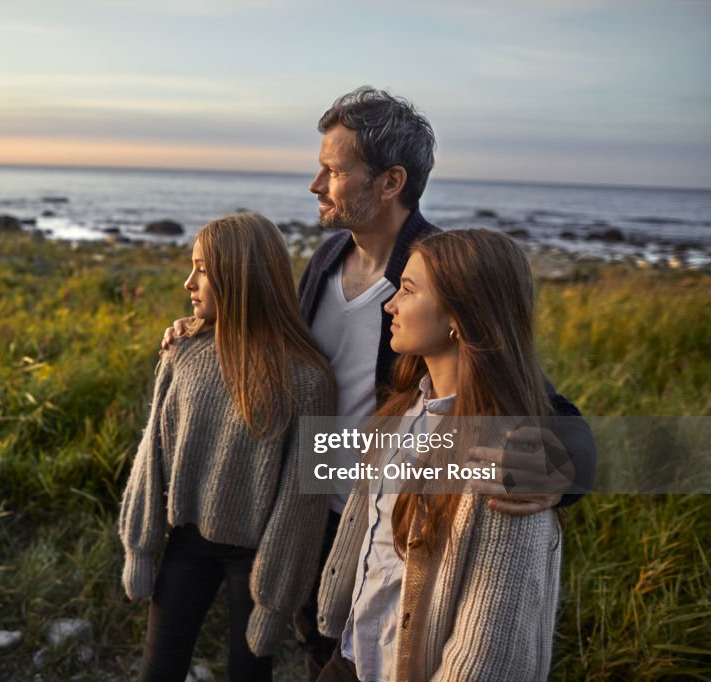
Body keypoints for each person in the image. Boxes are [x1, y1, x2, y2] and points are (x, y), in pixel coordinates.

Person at [164, 85, 595, 679]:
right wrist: (206, 325)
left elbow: (522, 383)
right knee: (326, 642)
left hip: (394, 516)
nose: (316, 186)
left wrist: (565, 469)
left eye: (334, 171)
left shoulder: (441, 274)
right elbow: (277, 347)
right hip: (310, 504)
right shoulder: (327, 256)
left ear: (390, 183)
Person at [316, 228, 564, 681]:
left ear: (460, 315)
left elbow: (484, 653)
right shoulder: (404, 408)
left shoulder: (504, 457)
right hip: (351, 657)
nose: (388, 305)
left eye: (407, 291)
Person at [120, 212, 336, 681]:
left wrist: (275, 601)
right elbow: (150, 456)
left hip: (257, 558)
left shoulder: (309, 379)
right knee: (157, 671)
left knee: (249, 674)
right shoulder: (184, 353)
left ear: (241, 277)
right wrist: (140, 547)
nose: (187, 282)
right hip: (187, 541)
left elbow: (305, 500)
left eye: (202, 269)